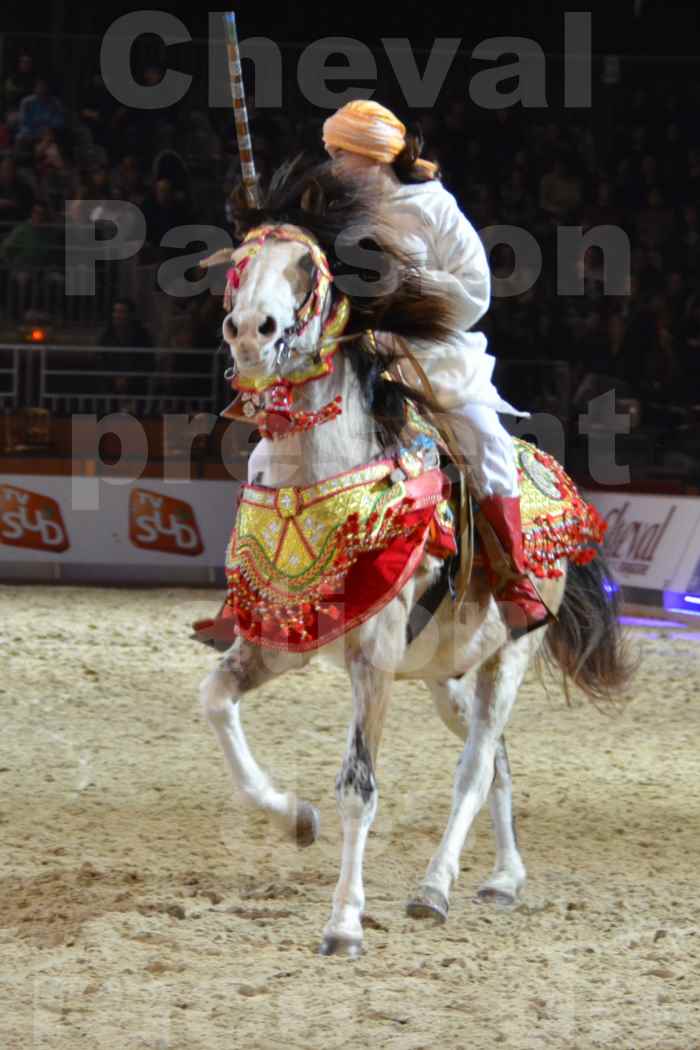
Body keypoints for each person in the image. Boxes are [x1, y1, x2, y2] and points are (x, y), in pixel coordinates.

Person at [321, 99, 548, 631]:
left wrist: (406, 278)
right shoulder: (333, 209)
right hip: (358, 350)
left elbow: (476, 295)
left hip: (434, 357)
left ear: (372, 156)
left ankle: (515, 581)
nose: (330, 165)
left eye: (339, 154)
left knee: (484, 438)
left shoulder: (435, 208)